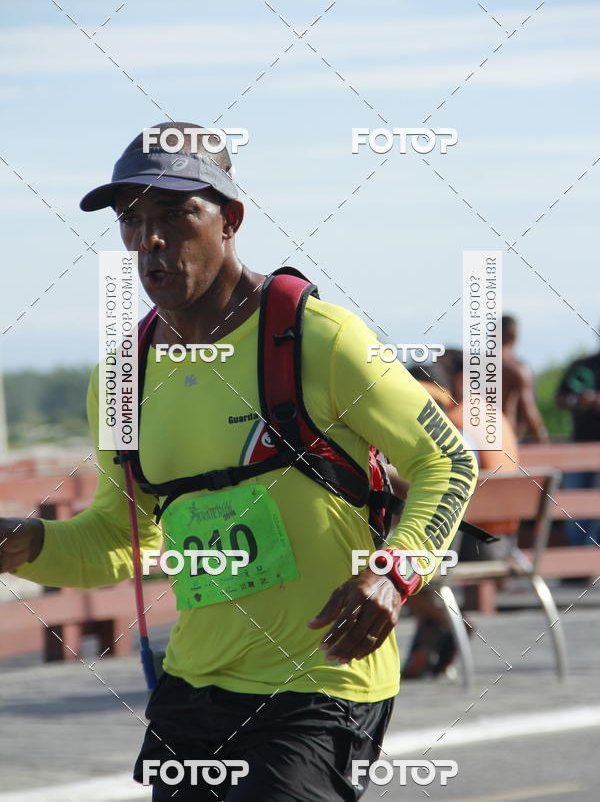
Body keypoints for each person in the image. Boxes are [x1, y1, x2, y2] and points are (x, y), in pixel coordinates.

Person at [0, 123, 478, 801]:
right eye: (132, 220)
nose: (151, 240)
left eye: (174, 213)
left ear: (229, 219)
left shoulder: (319, 339)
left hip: (319, 685)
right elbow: (120, 538)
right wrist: (24, 544)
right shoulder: (121, 379)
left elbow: (448, 462)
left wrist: (393, 576)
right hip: (192, 690)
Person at [401, 350, 519, 679]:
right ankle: (435, 638)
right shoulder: (491, 416)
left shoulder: (450, 425)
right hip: (505, 542)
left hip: (469, 547)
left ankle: (445, 622)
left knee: (384, 558)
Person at [555, 342, 600, 547]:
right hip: (579, 449)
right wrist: (579, 400)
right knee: (573, 506)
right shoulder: (582, 365)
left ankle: (587, 561)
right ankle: (577, 565)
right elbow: (560, 399)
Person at [502, 315, 548, 442]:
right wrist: (542, 438)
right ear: (514, 335)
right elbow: (528, 409)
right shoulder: (517, 369)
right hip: (506, 437)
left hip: (477, 439)